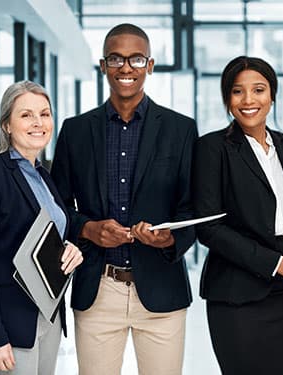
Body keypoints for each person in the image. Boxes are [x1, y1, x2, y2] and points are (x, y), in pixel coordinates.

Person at [51, 23, 198, 375]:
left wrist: (170, 239)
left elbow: (193, 207)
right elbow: (55, 208)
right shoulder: (75, 131)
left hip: (162, 290)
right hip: (98, 288)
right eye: (116, 59)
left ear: (150, 65)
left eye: (136, 59)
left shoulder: (181, 130)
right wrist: (87, 229)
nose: (126, 68)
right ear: (103, 65)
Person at [192, 56, 283, 375]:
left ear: (272, 95)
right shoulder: (212, 148)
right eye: (238, 92)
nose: (249, 100)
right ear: (227, 99)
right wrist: (278, 264)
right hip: (237, 292)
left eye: (259, 90)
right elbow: (209, 228)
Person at [0, 80, 83, 375]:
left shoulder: (43, 175)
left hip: (47, 316)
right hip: (7, 323)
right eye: (26, 115)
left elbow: (54, 233)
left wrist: (71, 247)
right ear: (7, 125)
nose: (38, 123)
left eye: (45, 114)